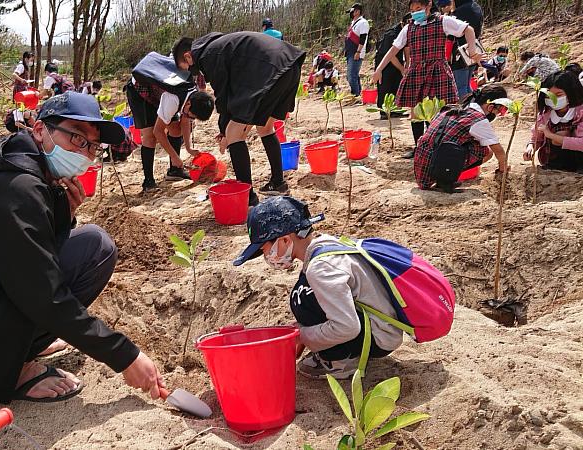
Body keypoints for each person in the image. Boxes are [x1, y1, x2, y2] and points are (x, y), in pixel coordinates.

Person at [0, 92, 165, 402]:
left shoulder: (24, 168)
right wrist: (124, 356)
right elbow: (43, 292)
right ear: (40, 130)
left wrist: (64, 214)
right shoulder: (17, 187)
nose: (83, 153)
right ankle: (12, 370)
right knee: (75, 263)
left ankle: (23, 343)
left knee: (94, 246)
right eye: (76, 137)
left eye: (91, 146)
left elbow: (33, 254)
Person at [232, 196, 404, 379]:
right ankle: (338, 351)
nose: (265, 256)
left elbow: (347, 327)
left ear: (284, 240)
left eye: (264, 249)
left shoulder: (320, 268)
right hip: (381, 325)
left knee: (302, 299)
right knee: (305, 293)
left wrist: (302, 335)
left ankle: (340, 362)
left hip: (379, 337)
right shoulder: (325, 246)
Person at [174, 34, 306, 204]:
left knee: (234, 134)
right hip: (289, 65)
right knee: (265, 128)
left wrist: (224, 132)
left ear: (187, 56)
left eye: (186, 67)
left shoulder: (208, 55)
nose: (190, 71)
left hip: (271, 72)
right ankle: (278, 183)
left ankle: (248, 197)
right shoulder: (217, 45)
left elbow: (223, 97)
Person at [372, 0, 483, 158]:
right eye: (412, 9)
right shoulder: (409, 27)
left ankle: (436, 147)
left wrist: (472, 51)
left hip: (437, 71)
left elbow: (468, 29)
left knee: (436, 113)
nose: (415, 12)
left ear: (428, 6)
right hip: (416, 73)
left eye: (418, 8)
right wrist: (379, 69)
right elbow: (393, 49)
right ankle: (420, 148)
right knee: (416, 113)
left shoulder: (442, 21)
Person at [125, 51, 215, 191]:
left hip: (160, 90)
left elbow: (185, 120)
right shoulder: (173, 99)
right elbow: (158, 131)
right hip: (140, 90)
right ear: (189, 104)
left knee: (175, 128)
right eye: (192, 115)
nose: (191, 118)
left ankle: (174, 171)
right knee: (150, 136)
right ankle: (148, 181)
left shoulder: (193, 93)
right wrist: (174, 155)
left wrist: (189, 148)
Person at [414, 84, 509, 192]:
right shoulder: (478, 119)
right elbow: (498, 150)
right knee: (486, 152)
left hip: (422, 168)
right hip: (434, 166)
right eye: (499, 110)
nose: (498, 113)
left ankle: (443, 179)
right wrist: (503, 170)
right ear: (490, 107)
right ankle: (444, 179)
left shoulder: (452, 108)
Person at [524, 70, 583, 172]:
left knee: (561, 134)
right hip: (551, 157)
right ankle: (554, 167)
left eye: (559, 95)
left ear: (571, 93)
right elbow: (537, 138)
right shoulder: (546, 113)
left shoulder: (580, 112)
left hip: (578, 159)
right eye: (548, 96)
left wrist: (551, 135)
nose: (553, 99)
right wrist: (531, 147)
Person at [375, 14, 410, 119]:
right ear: (402, 23)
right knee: (385, 85)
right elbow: (390, 55)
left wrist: (407, 65)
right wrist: (402, 68)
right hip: (385, 61)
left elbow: (407, 48)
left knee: (397, 84)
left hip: (398, 60)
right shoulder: (391, 34)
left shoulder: (410, 31)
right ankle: (384, 112)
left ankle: (395, 110)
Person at [446, 0, 483, 98]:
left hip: (460, 53)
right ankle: (470, 107)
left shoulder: (459, 12)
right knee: (467, 84)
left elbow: (450, 35)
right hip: (474, 49)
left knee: (460, 87)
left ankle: (464, 110)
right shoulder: (476, 7)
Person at [345, 3, 370, 97]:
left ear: (357, 11)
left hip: (356, 52)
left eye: (351, 12)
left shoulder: (363, 22)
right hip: (350, 52)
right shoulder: (353, 22)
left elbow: (363, 38)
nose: (350, 14)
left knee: (351, 76)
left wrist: (358, 51)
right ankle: (358, 93)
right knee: (353, 75)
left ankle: (355, 94)